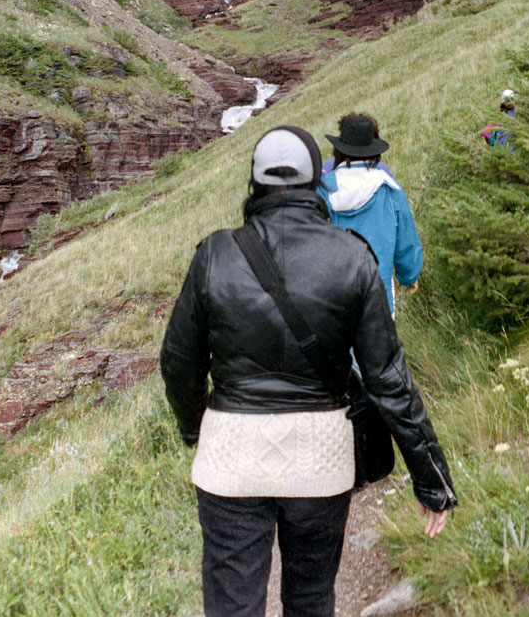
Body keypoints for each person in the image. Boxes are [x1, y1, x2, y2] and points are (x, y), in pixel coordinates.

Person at [160, 125, 456, 617]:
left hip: (231, 460)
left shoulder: (214, 254)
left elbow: (178, 363)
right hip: (319, 461)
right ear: (314, 185)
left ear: (254, 186)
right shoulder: (352, 257)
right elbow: (388, 378)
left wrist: (195, 427)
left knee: (233, 607)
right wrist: (431, 479)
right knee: (312, 598)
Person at [317, 114, 422, 315]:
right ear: (373, 151)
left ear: (338, 150)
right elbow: (407, 244)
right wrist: (408, 277)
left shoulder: (321, 191)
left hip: (330, 304)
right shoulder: (389, 189)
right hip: (378, 301)